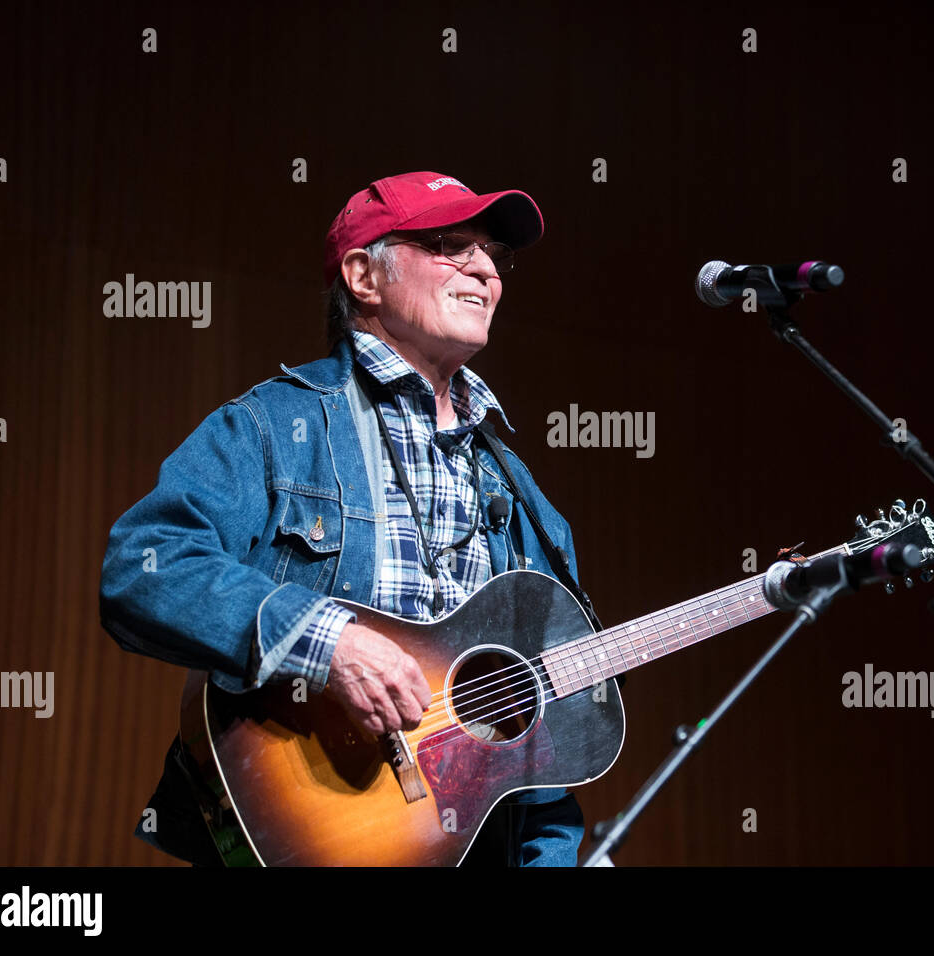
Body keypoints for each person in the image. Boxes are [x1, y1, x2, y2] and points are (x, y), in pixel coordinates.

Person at [99, 171, 593, 866]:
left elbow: (538, 726)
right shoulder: (274, 425)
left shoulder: (520, 489)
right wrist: (327, 643)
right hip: (305, 834)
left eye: (494, 256)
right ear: (363, 275)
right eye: (454, 245)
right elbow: (141, 568)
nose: (486, 269)